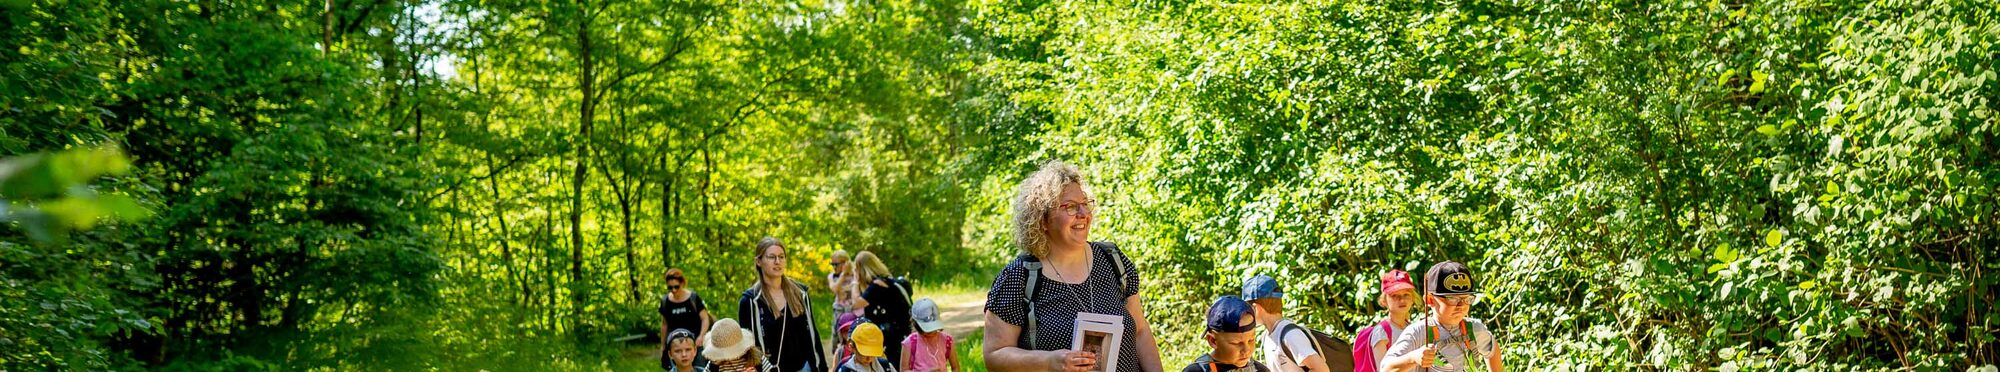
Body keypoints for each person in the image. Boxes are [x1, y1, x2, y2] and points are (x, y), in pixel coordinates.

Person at [983, 160, 1165, 372]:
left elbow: (1140, 332)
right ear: (1042, 220)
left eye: (1085, 203)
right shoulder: (1020, 277)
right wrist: (1049, 362)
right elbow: (994, 355)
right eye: (1070, 207)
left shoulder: (1113, 261)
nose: (1083, 214)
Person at [1382, 261, 1505, 372]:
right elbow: (1385, 368)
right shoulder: (1418, 332)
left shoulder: (1474, 329)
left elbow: (1492, 349)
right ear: (1430, 300)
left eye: (1467, 298)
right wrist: (1413, 358)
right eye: (1452, 299)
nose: (1461, 305)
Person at [737, 237, 828, 372]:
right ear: (758, 261)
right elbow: (748, 347)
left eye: (781, 257)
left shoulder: (800, 293)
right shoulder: (750, 301)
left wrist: (821, 368)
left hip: (803, 368)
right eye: (771, 257)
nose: (777, 262)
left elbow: (812, 336)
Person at [1242, 274, 1330, 372]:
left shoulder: (1291, 335)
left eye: (1247, 308)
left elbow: (1321, 369)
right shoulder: (1267, 336)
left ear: (1256, 308)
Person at [853, 251, 914, 370]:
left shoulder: (877, 285)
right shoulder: (887, 281)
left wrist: (854, 283)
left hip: (892, 339)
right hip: (901, 335)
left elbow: (856, 303)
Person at [1181, 296, 1269, 372]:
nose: (1246, 350)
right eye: (1236, 343)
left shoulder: (1259, 370)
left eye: (1251, 340)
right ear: (1213, 341)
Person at [1353, 270, 1417, 372]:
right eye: (1394, 295)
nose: (1402, 300)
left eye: (1406, 294)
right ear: (1384, 301)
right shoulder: (1382, 332)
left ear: (1412, 299)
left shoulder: (1413, 329)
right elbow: (1383, 369)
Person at [662, 268, 715, 371]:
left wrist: (701, 336)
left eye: (676, 287)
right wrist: (663, 345)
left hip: (695, 342)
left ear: (682, 283)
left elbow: (705, 318)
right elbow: (664, 324)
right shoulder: (666, 301)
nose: (673, 290)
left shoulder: (693, 298)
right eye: (670, 287)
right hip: (675, 343)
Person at [901, 298, 960, 372]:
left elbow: (955, 368)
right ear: (916, 324)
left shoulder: (947, 341)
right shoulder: (909, 343)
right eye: (927, 329)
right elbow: (903, 370)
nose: (931, 331)